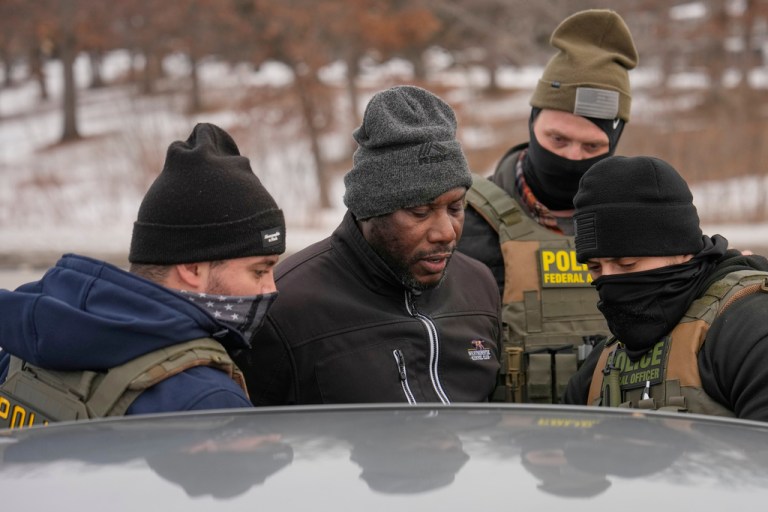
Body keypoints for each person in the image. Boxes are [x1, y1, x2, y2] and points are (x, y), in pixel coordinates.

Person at [0, 122, 286, 425]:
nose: (271, 288)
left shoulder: (25, 347)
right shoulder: (209, 401)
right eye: (258, 271)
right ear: (192, 268)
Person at [234, 85, 501, 405]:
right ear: (370, 210)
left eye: (455, 208)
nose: (446, 232)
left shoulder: (479, 284)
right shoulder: (284, 307)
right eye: (420, 212)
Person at [457, 9, 639, 403]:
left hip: (615, 447)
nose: (572, 157)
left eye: (592, 147)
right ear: (532, 123)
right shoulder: (466, 218)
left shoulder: (642, 222)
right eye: (557, 140)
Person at [563, 155, 768, 421]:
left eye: (627, 264)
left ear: (682, 251)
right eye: (595, 269)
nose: (610, 282)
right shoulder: (602, 364)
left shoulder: (749, 331)